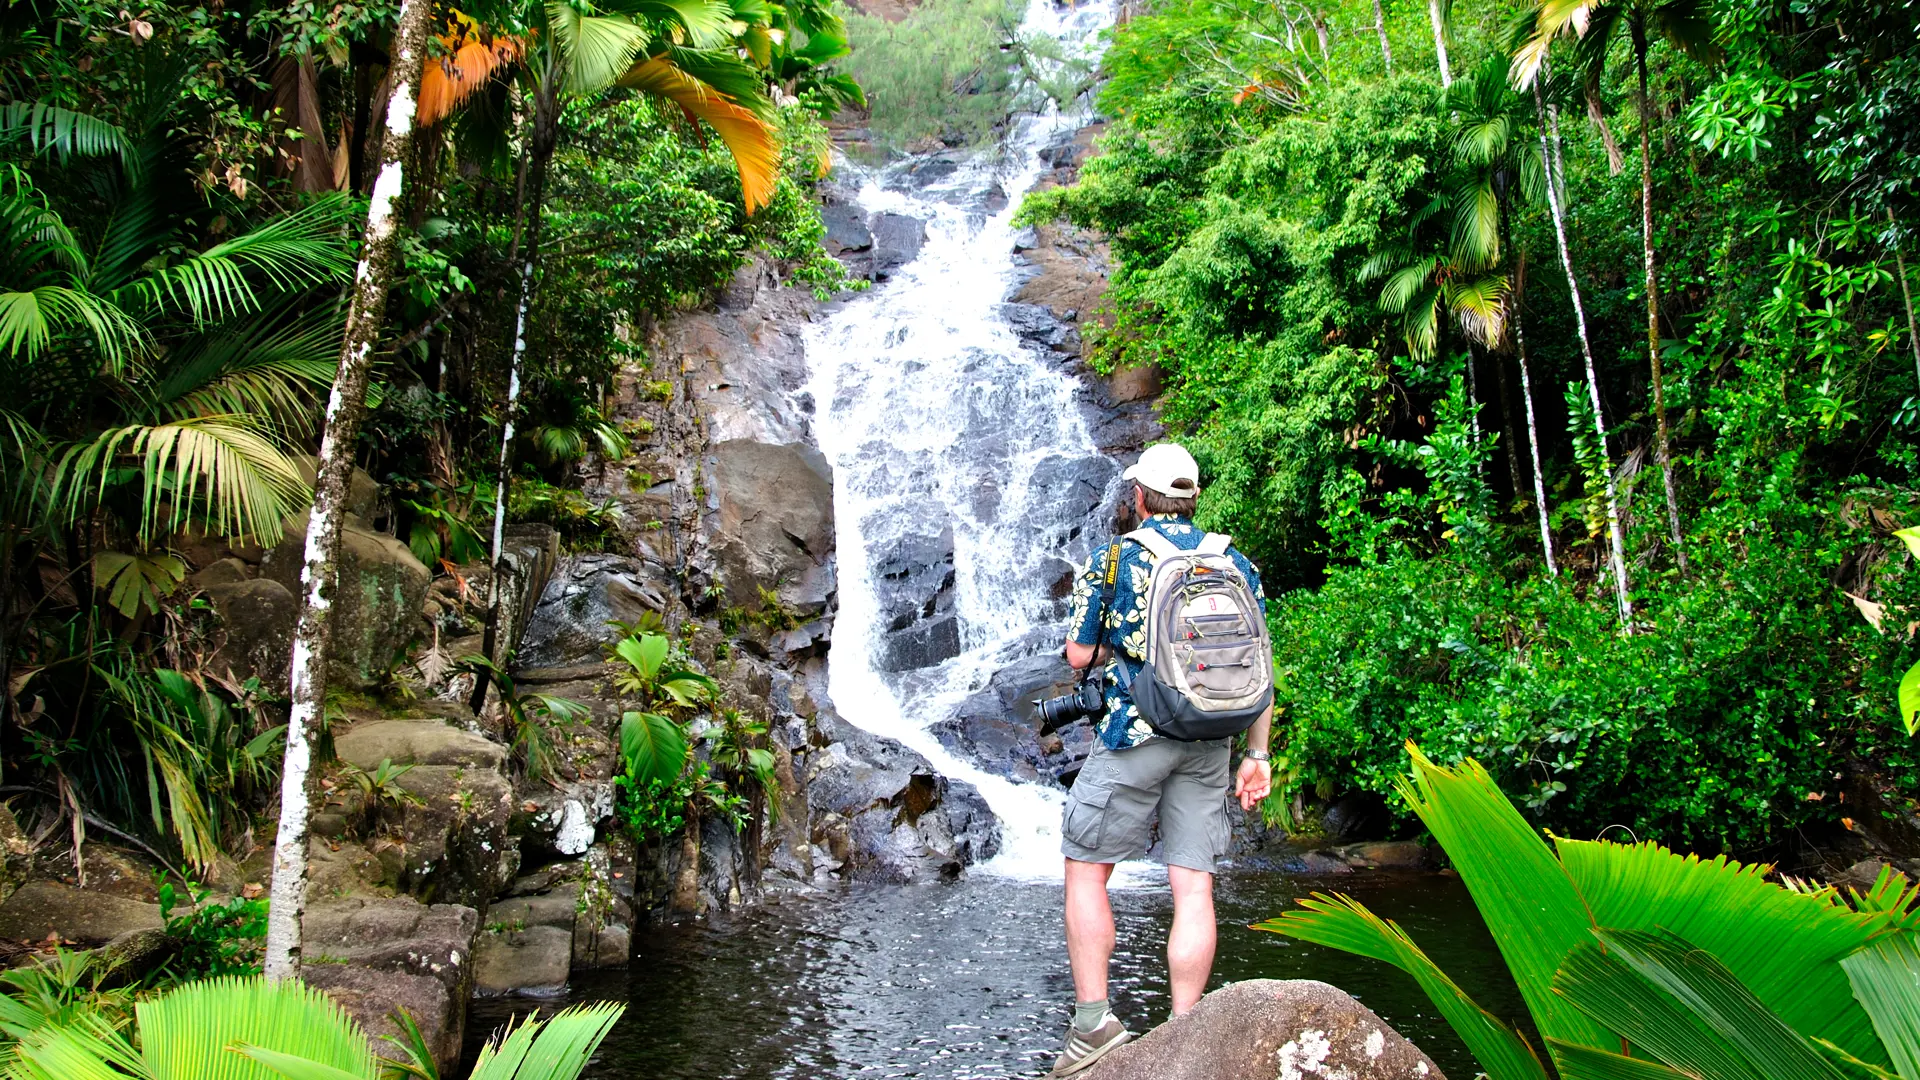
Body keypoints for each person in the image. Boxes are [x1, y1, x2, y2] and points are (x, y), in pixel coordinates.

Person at [1051, 442, 1273, 1077]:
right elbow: (1258, 664)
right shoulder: (1236, 563)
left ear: (1140, 498)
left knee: (1087, 869)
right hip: (1213, 738)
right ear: (1194, 498)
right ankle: (1185, 1033)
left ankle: (1093, 1026)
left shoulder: (1117, 558)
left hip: (1135, 734)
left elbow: (1077, 654)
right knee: (1192, 883)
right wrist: (1257, 755)